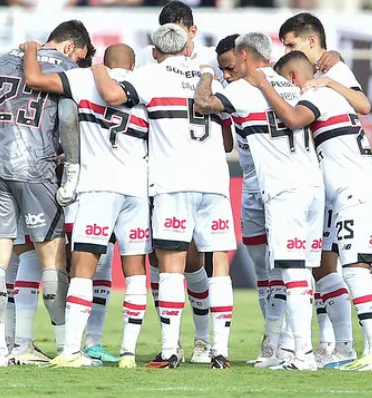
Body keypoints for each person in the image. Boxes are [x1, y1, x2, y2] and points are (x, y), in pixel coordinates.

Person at [94, 24, 237, 369]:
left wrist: (97, 68)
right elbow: (229, 141)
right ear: (188, 49)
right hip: (216, 182)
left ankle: (170, 351)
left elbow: (114, 97)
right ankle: (220, 351)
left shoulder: (149, 76)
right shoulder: (212, 80)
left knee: (171, 267)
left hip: (173, 182)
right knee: (218, 267)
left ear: (155, 51)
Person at [244, 50, 372, 371]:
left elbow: (294, 118)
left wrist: (264, 86)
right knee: (345, 268)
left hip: (356, 192)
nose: (286, 91)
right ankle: (350, 349)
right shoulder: (333, 96)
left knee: (355, 270)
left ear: (294, 78)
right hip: (362, 190)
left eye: (285, 84)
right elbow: (363, 105)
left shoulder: (316, 94)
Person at [0, 20, 93, 367]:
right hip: (38, 169)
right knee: (53, 260)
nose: (80, 63)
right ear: (70, 48)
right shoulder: (67, 69)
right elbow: (67, 115)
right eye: (80, 56)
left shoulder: (0, 63)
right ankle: (67, 348)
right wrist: (73, 168)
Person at [195, 32, 323, 371]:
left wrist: (206, 73)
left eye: (233, 61)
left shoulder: (244, 88)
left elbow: (203, 104)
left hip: (284, 191)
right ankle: (285, 349)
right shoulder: (291, 85)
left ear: (244, 55)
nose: (230, 69)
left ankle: (302, 354)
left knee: (291, 272)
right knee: (298, 270)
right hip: (312, 186)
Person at [20, 41, 150, 368]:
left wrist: (32, 49)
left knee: (82, 268)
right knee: (135, 272)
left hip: (97, 188)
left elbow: (34, 79)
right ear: (131, 66)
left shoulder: (83, 79)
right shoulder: (147, 84)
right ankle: (128, 354)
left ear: (104, 62)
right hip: (137, 189)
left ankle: (71, 351)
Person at [133, 1, 223, 364]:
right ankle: (180, 342)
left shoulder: (208, 62)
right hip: (173, 170)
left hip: (180, 173)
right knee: (161, 258)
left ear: (192, 32)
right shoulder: (201, 66)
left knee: (190, 259)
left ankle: (199, 340)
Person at [279, 12, 370, 366]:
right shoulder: (310, 74)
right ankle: (330, 344)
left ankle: (343, 344)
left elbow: (363, 105)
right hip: (321, 180)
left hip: (343, 180)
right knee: (320, 266)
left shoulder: (332, 71)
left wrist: (330, 82)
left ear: (312, 42)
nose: (285, 49)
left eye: (291, 43)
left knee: (330, 265)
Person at [214, 34, 287, 366]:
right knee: (262, 266)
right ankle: (273, 335)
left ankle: (286, 339)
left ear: (244, 57)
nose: (227, 75)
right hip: (252, 187)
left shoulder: (252, 88)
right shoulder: (239, 93)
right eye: (221, 71)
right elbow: (228, 144)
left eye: (230, 68)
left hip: (281, 187)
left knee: (285, 265)